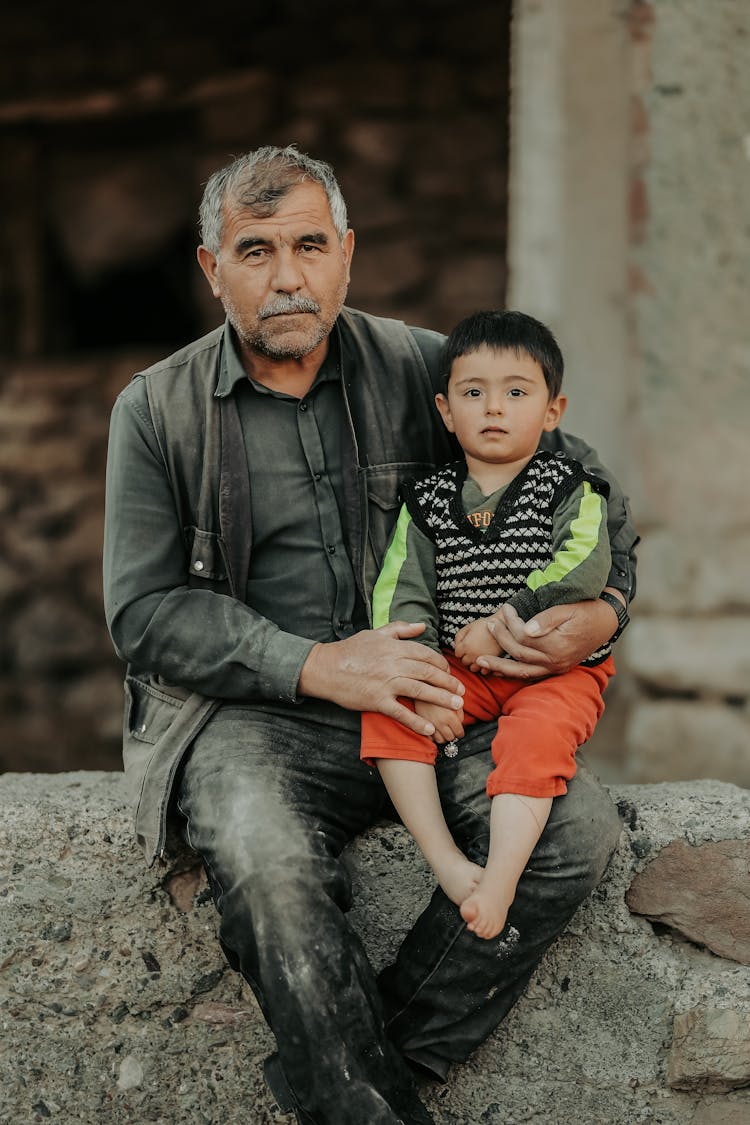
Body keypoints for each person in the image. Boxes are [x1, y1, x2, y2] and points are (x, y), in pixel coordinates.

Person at [103, 145, 636, 1125]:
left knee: (572, 834)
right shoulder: (156, 410)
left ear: (348, 253)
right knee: (263, 857)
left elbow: (582, 485)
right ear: (209, 268)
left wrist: (603, 613)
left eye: (311, 244)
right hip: (257, 718)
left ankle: (353, 1086)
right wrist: (315, 665)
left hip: (438, 703)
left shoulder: (433, 372)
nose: (289, 276)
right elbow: (142, 614)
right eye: (255, 251)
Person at [361, 309, 619, 942]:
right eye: (474, 393)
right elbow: (401, 589)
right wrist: (421, 673)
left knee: (534, 741)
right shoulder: (428, 501)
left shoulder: (569, 486)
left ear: (552, 410)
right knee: (390, 711)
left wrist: (501, 625)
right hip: (462, 671)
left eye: (516, 392)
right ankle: (448, 863)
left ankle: (500, 879)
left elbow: (584, 567)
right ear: (447, 412)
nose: (494, 408)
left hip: (552, 671)